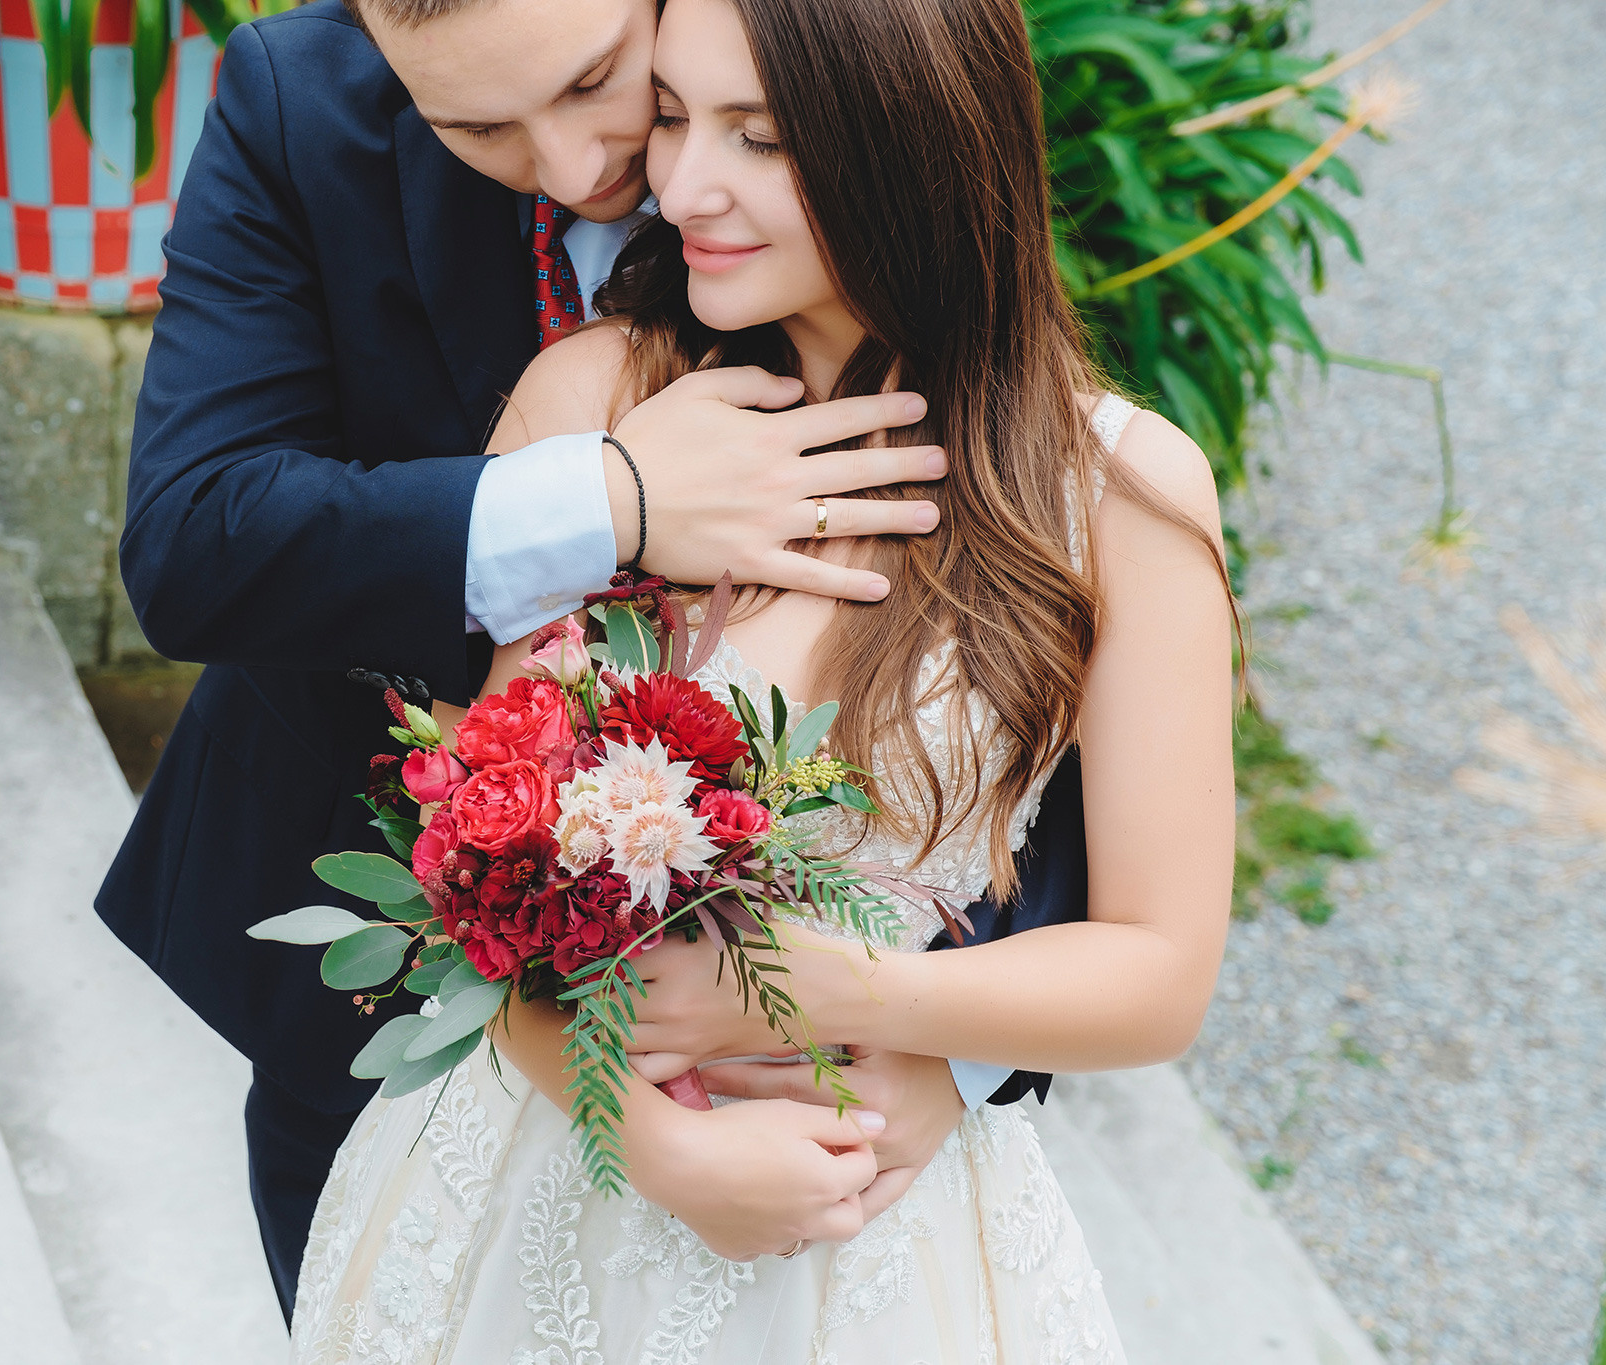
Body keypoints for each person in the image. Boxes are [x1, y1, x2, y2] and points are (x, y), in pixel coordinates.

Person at [98, 0, 1092, 1326]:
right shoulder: (298, 100)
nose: (578, 170)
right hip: (399, 1014)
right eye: (479, 127)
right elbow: (192, 544)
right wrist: (606, 500)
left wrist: (957, 1045)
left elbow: (1023, 676)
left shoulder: (849, 89)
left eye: (595, 84)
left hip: (836, 1100)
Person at [287, 0, 1236, 1357]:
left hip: (871, 1239)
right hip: (540, 1187)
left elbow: (1160, 970)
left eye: (761, 136)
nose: (678, 186)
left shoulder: (1114, 500)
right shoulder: (592, 411)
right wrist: (645, 1136)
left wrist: (857, 994)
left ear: (912, 139)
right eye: (672, 116)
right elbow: (469, 886)